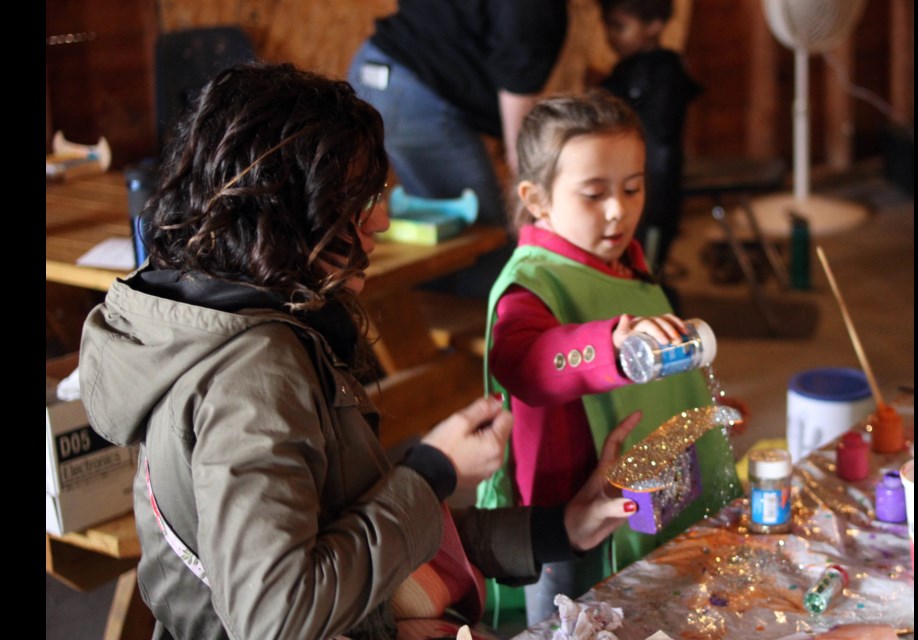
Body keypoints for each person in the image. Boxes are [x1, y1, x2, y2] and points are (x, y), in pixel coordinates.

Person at [78, 61, 645, 640]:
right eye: (358, 197)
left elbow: (354, 538)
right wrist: (430, 472)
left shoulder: (237, 322)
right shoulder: (254, 370)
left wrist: (560, 528)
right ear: (282, 209)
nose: (382, 218)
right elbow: (278, 615)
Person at [476, 89, 741, 626]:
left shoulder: (626, 264)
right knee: (570, 622)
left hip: (636, 489)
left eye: (633, 187)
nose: (619, 210)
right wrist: (613, 346)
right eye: (594, 194)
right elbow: (525, 363)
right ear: (537, 198)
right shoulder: (530, 285)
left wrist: (697, 411)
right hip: (563, 515)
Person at [347, 1, 568, 299]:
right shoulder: (533, 10)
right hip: (411, 90)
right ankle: (500, 334)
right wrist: (526, 200)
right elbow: (520, 128)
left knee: (449, 234)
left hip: (378, 69)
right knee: (487, 239)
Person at [594, 0, 703, 292]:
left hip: (657, 187)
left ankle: (667, 325)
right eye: (609, 27)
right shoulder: (626, 70)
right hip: (632, 182)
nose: (612, 36)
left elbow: (660, 135)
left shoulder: (666, 72)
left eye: (621, 27)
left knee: (648, 270)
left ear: (654, 25)